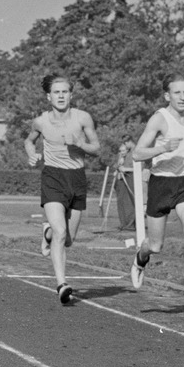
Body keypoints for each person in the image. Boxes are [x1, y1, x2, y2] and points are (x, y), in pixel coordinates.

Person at [130, 73, 184, 311]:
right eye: (177, 92)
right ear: (167, 95)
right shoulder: (159, 119)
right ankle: (140, 259)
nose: (183, 97)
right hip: (161, 184)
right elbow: (137, 154)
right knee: (155, 245)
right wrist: (163, 148)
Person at [25, 75, 101, 304]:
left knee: (68, 239)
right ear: (49, 97)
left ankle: (46, 233)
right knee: (61, 232)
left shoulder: (82, 118)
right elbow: (29, 141)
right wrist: (32, 154)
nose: (60, 96)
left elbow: (97, 148)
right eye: (56, 92)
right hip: (53, 177)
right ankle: (61, 284)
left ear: (71, 94)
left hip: (76, 178)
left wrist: (79, 144)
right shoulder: (41, 121)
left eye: (64, 92)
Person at [114, 137, 137, 232]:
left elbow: (140, 168)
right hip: (121, 181)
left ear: (129, 142)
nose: (123, 151)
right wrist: (118, 166)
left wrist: (126, 169)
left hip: (131, 180)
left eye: (125, 145)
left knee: (130, 202)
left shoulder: (136, 152)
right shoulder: (124, 155)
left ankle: (130, 224)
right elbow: (117, 166)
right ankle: (123, 223)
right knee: (121, 202)